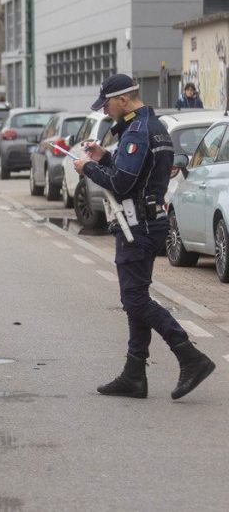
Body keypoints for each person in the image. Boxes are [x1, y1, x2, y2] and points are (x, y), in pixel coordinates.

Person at [74, 73, 215, 400]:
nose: (106, 110)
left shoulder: (137, 130)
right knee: (135, 297)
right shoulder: (155, 127)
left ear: (123, 99)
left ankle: (190, 356)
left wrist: (88, 168)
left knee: (134, 299)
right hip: (148, 222)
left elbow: (122, 183)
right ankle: (134, 373)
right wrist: (104, 157)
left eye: (107, 103)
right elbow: (138, 174)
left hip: (138, 225)